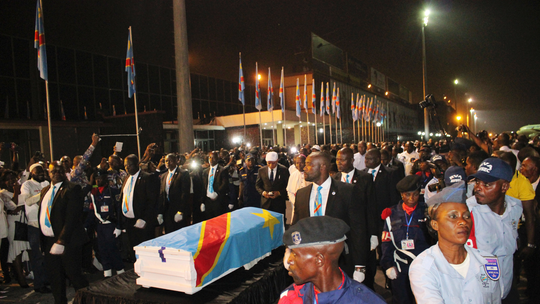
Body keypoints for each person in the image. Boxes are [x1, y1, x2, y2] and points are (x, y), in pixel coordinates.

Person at [409, 182, 502, 303]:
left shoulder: (487, 261)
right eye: (453, 216)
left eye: (467, 216)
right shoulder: (423, 267)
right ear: (435, 224)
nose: (463, 222)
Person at [293, 152, 369, 282]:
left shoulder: (347, 191)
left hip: (341, 263)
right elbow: (296, 228)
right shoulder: (302, 194)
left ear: (322, 167)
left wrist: (359, 265)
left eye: (308, 165)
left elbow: (358, 230)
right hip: (310, 264)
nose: (304, 168)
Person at [279, 216, 385, 304]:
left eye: (295, 254)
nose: (289, 260)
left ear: (319, 260)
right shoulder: (290, 296)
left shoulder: (366, 301)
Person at [466, 158, 522, 302]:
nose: (478, 187)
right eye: (477, 182)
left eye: (487, 184)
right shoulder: (467, 212)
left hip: (507, 287)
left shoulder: (515, 208)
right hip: (480, 293)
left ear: (504, 187)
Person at [39, 162, 89, 303]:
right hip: (49, 240)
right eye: (53, 170)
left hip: (68, 241)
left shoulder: (73, 189)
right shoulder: (45, 191)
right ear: (48, 173)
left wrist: (61, 241)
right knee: (55, 277)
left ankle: (87, 301)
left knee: (74, 275)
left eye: (60, 170)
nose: (57, 172)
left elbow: (72, 217)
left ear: (65, 171)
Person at [381, 175, 431, 304]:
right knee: (401, 299)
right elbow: (387, 242)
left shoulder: (426, 212)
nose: (411, 199)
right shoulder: (391, 214)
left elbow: (433, 241)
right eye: (407, 195)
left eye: (415, 195)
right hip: (400, 265)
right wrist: (388, 265)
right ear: (402, 195)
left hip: (422, 265)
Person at [334, 147, 378, 288]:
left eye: (342, 160)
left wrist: (373, 234)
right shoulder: (334, 179)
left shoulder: (365, 178)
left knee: (364, 271)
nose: (338, 163)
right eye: (337, 159)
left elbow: (371, 207)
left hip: (361, 231)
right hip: (342, 233)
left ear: (352, 160)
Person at [119, 155, 159, 261]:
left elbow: (152, 201)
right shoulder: (127, 178)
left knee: (145, 249)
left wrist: (144, 218)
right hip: (128, 220)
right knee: (133, 248)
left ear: (137, 164)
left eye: (129, 165)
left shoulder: (147, 177)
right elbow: (123, 198)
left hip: (141, 220)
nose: (127, 168)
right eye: (125, 166)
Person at [19, 163, 51, 293]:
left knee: (47, 254)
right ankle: (39, 284)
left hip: (46, 223)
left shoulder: (45, 183)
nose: (41, 175)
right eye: (38, 173)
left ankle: (47, 279)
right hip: (34, 225)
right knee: (37, 255)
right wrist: (42, 194)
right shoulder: (27, 185)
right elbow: (27, 201)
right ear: (32, 173)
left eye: (43, 173)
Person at [87, 170, 124, 277]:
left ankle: (119, 269)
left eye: (100, 178)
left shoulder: (113, 191)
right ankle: (107, 271)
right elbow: (92, 211)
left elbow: (118, 209)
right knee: (102, 249)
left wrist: (119, 226)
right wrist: (86, 226)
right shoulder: (94, 192)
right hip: (100, 225)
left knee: (113, 248)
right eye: (96, 179)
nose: (98, 181)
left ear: (105, 178)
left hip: (110, 224)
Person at [0, 169, 30, 288]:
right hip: (13, 224)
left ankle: (22, 273)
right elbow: (13, 206)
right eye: (9, 179)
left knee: (25, 250)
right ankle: (20, 279)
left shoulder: (21, 188)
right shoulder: (3, 193)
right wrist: (16, 191)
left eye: (13, 178)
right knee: (16, 251)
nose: (12, 181)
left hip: (23, 221)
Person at [518, 156, 540, 300]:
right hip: (522, 228)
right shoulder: (520, 183)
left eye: (525, 166)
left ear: (535, 169)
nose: (521, 168)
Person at [158, 153, 191, 233]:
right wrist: (160, 212)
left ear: (176, 161)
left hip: (178, 210)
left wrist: (181, 211)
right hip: (167, 211)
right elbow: (161, 194)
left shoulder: (183, 174)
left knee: (179, 233)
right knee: (169, 233)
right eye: (166, 161)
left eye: (170, 161)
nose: (168, 163)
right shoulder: (164, 176)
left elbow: (185, 193)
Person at [200, 151, 229, 219]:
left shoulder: (222, 170)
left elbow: (225, 183)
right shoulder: (205, 171)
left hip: (218, 200)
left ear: (217, 158)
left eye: (213, 158)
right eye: (210, 158)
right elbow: (204, 186)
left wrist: (217, 193)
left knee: (218, 220)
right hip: (208, 200)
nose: (211, 160)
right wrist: (202, 202)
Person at [286, 154, 310, 224]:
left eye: (301, 163)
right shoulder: (293, 175)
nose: (299, 165)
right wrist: (295, 202)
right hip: (296, 204)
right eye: (297, 163)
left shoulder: (311, 174)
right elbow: (289, 191)